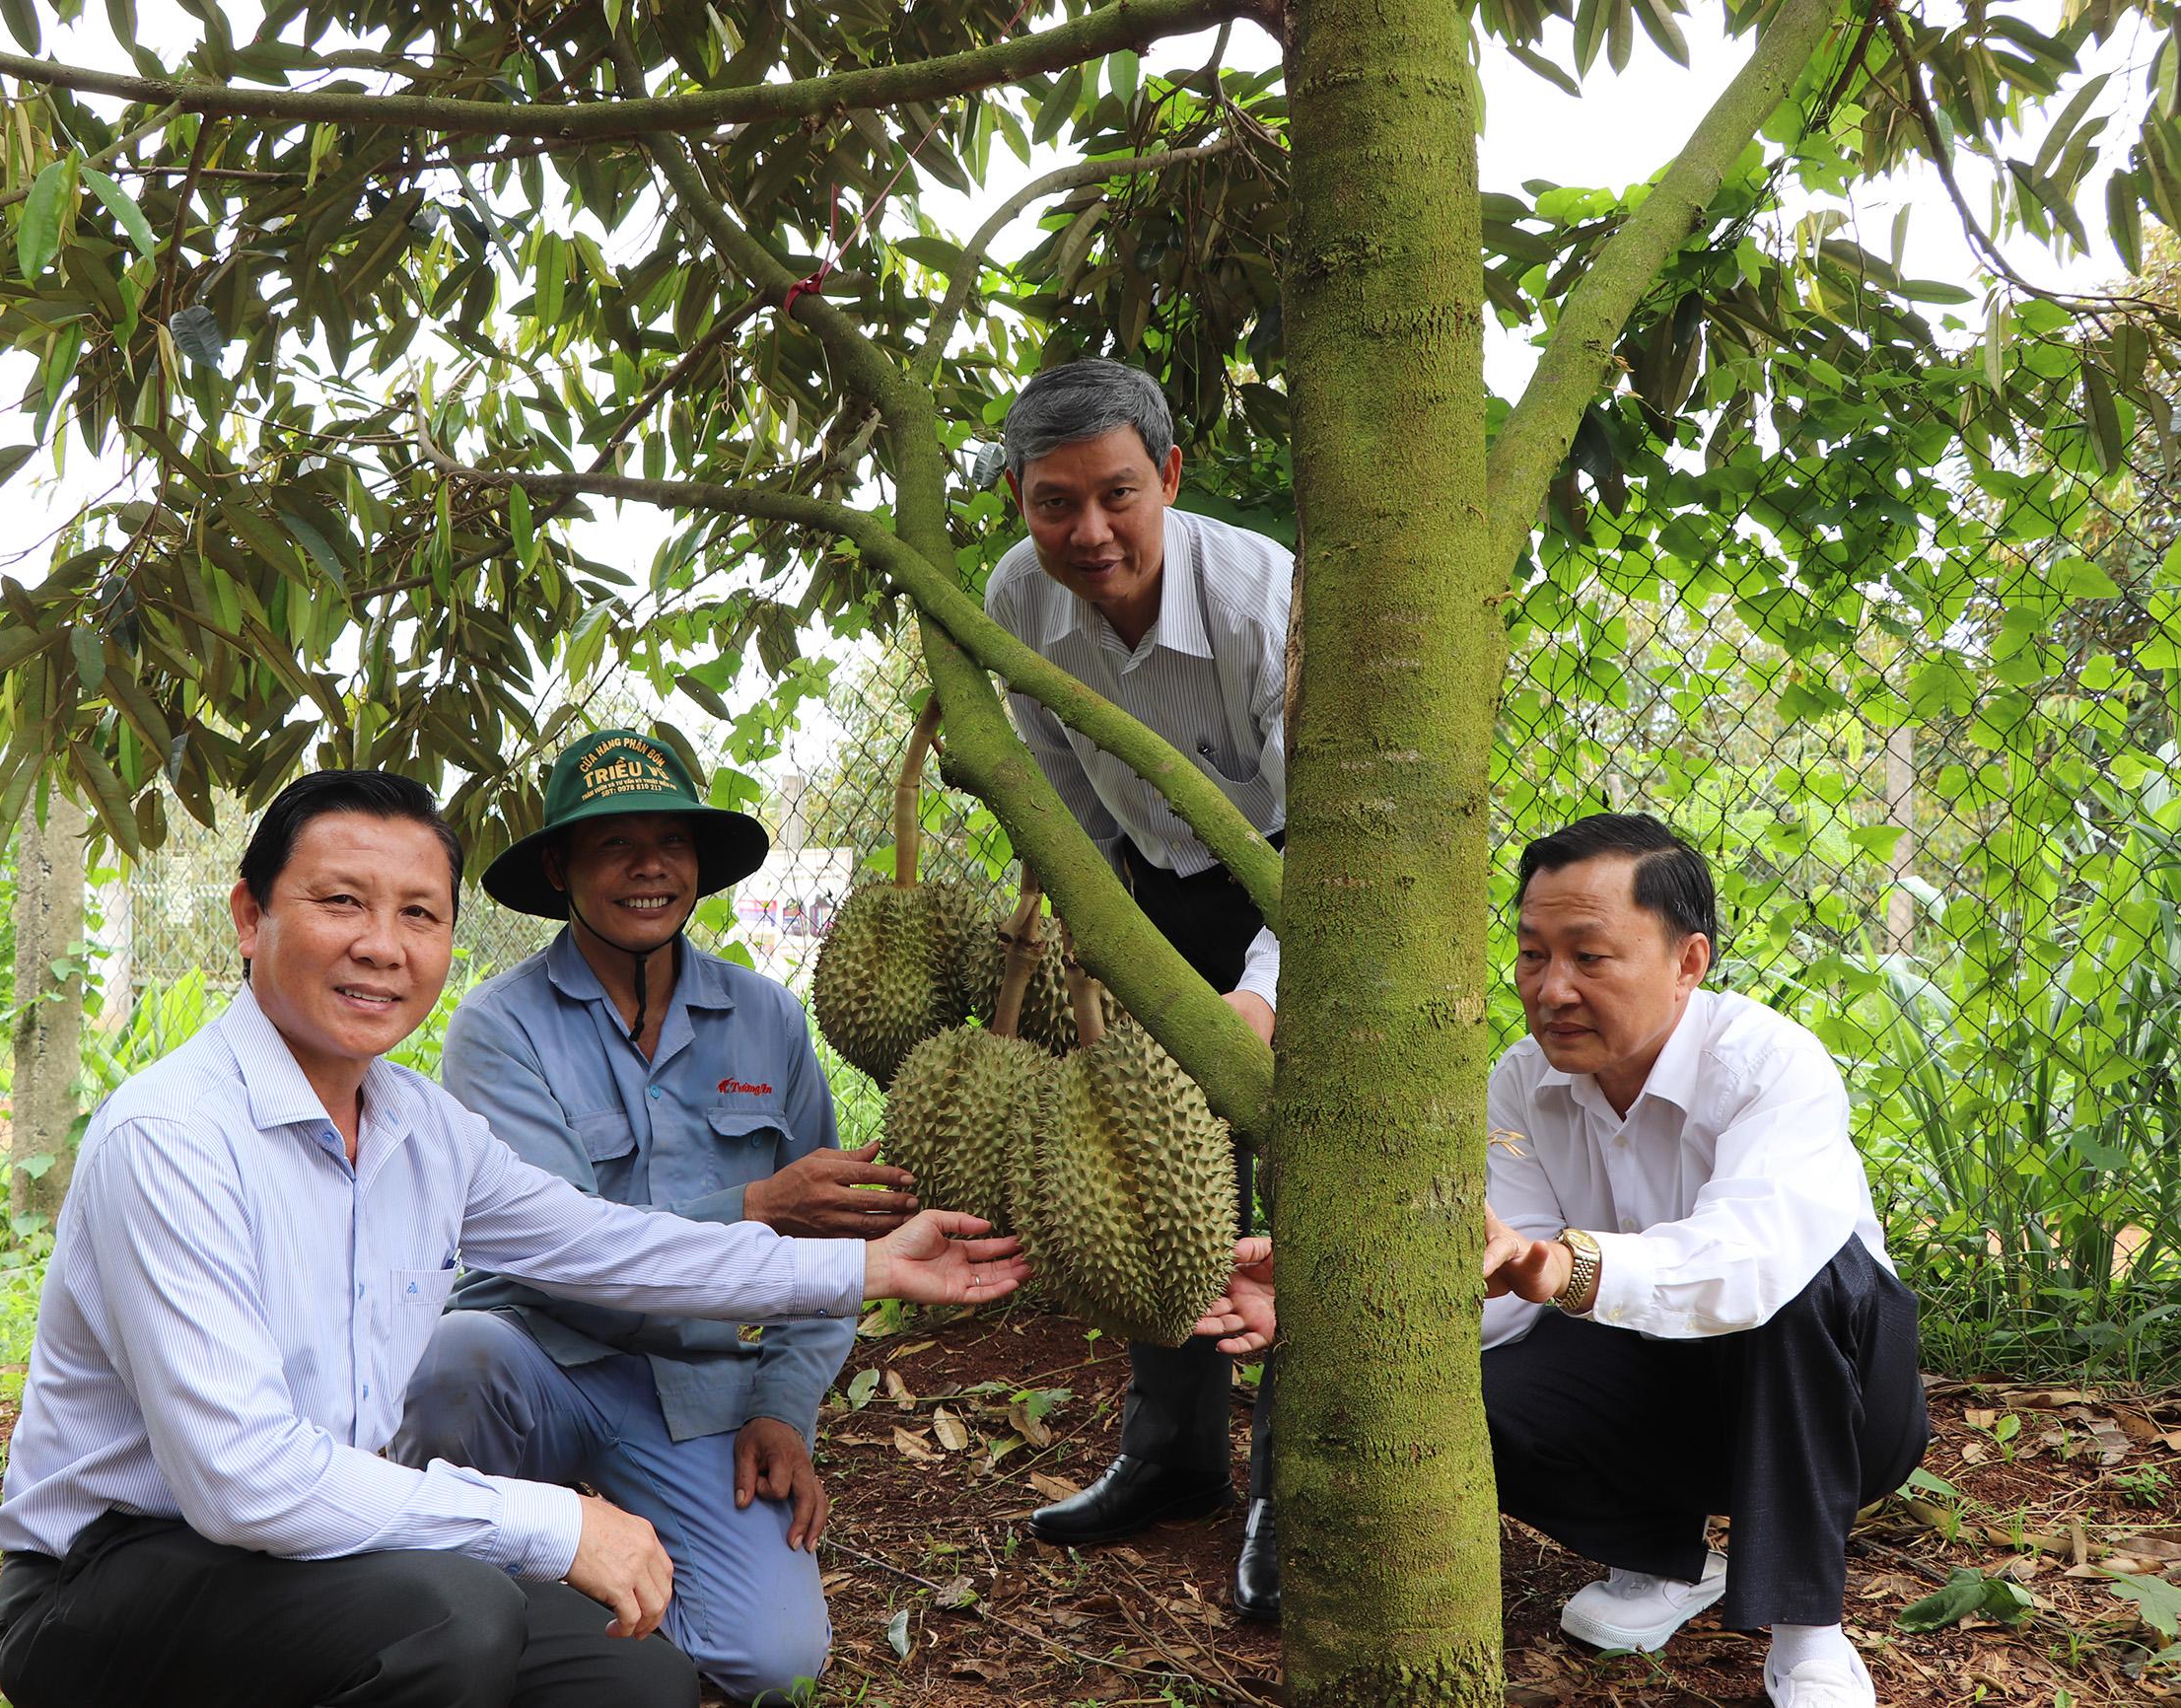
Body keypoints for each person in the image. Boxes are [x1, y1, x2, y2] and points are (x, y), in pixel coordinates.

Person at [0, 769, 1025, 1708]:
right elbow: (246, 1480)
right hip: (117, 1573)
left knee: (636, 1678)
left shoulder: (418, 1127)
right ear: (251, 916)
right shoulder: (173, 1136)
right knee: (457, 1620)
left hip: (309, 1549)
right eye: (341, 901)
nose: (381, 945)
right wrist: (557, 1524)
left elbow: (620, 1246)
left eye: (418, 913)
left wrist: (872, 1264)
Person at [1187, 814, 1929, 1708]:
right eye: (1534, 954)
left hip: (1840, 1410)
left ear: (1689, 961)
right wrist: (1324, 1301)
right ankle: (1664, 1560)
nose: (1552, 989)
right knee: (1461, 1397)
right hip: (1670, 1402)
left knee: (1797, 1286)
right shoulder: (1521, 1084)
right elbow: (1498, 1289)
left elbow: (1754, 1259)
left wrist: (1565, 1267)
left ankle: (1810, 1636)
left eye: (1591, 956)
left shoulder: (1770, 1064)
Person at [394, 729, 915, 1704]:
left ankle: (598, 1596)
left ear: (698, 865)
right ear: (560, 866)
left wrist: (779, 1406)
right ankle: (452, 1596)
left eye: (670, 841)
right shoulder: (498, 1028)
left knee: (774, 1661)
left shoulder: (769, 1018)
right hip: (541, 1361)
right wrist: (756, 1204)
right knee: (455, 1354)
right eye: (612, 844)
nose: (648, 867)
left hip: (697, 1391)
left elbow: (834, 1242)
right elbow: (564, 1250)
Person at [983, 356, 1287, 1617]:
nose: (1089, 532)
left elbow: (1330, 847)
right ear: (1018, 500)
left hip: (1289, 887)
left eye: (1116, 495)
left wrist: (1262, 998)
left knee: (1301, 1176)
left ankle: (1290, 1487)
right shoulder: (1016, 596)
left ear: (1167, 475)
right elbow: (1053, 775)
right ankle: (1169, 1456)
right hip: (1142, 888)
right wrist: (1096, 928)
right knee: (1156, 1162)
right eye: (1056, 503)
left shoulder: (1269, 607)